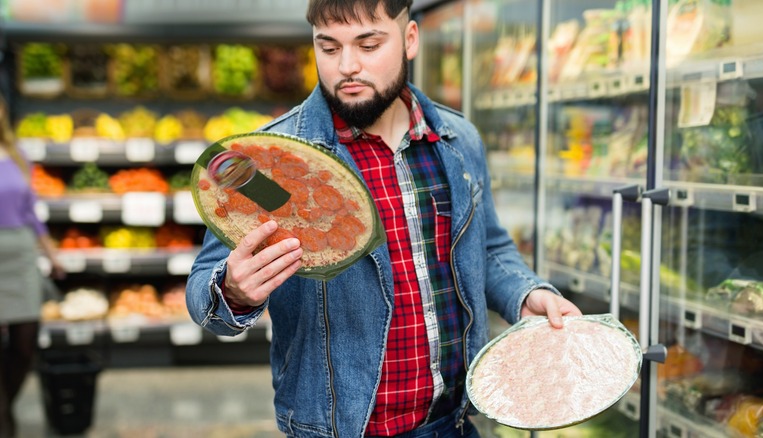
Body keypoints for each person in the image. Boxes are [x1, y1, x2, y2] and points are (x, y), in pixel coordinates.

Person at [186, 0, 582, 436]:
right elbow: (205, 297)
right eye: (329, 48)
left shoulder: (456, 139)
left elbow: (487, 247)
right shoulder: (269, 161)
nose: (347, 66)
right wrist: (233, 291)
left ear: (410, 39)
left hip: (454, 423)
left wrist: (525, 295)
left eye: (368, 44)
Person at [0, 96, 65, 437]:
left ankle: (4, 405)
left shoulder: (17, 156)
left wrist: (51, 254)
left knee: (25, 344)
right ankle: (4, 422)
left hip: (22, 254)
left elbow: (31, 212)